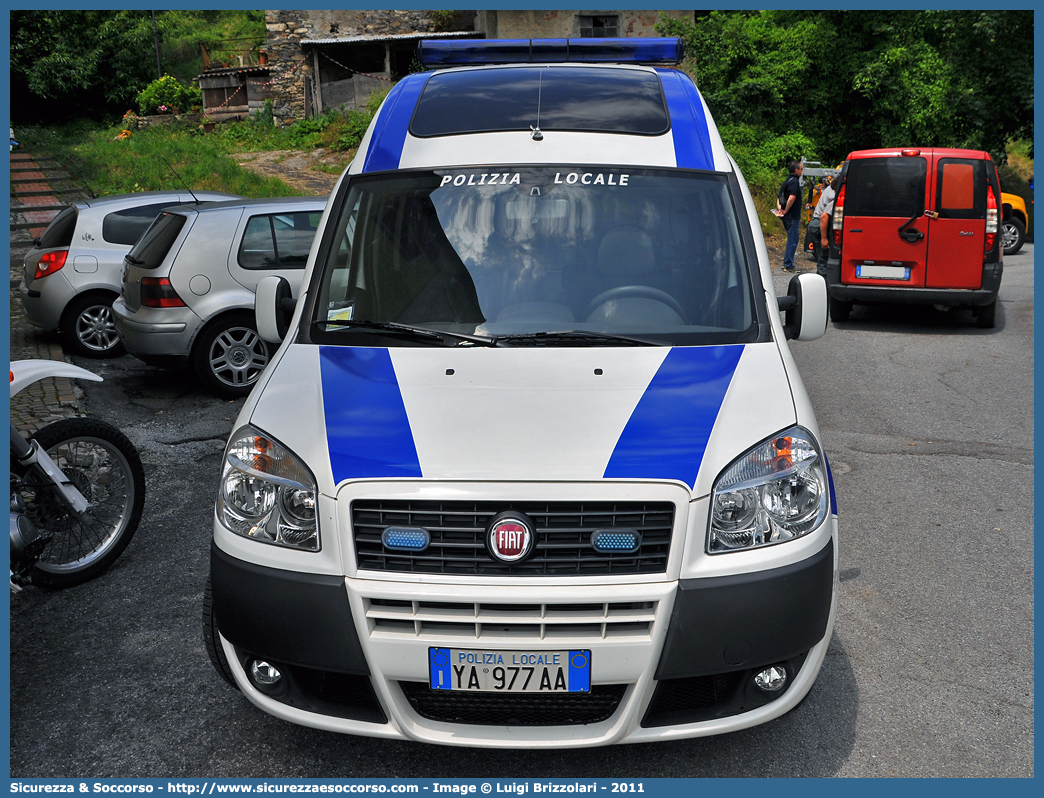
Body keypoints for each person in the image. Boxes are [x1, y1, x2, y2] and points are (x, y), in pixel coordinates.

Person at [775, 161, 803, 272]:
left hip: (786, 215)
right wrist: (786, 210)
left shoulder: (786, 181)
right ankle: (788, 264)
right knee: (793, 239)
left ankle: (787, 262)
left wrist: (780, 209)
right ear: (796, 170)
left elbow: (779, 198)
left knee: (792, 238)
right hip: (792, 216)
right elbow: (792, 197)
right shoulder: (794, 182)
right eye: (801, 169)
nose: (802, 171)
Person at [809, 175, 836, 276]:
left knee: (822, 258)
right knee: (823, 258)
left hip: (816, 223)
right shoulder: (834, 195)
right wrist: (824, 238)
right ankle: (823, 285)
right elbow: (824, 217)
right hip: (820, 224)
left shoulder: (830, 188)